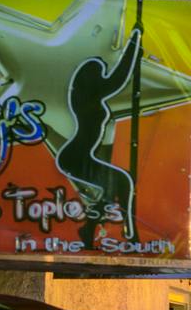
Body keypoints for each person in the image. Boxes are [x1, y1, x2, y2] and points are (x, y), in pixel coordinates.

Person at [57, 28, 143, 249]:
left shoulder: (90, 99)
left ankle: (91, 228)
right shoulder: (87, 99)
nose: (104, 76)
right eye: (100, 72)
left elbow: (115, 79)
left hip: (79, 155)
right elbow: (119, 78)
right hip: (76, 156)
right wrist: (134, 43)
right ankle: (130, 233)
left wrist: (135, 46)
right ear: (90, 78)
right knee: (121, 181)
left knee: (114, 186)